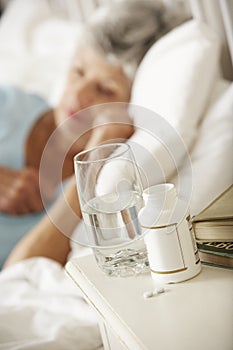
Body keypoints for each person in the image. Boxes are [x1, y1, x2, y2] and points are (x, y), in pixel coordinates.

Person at [0, 0, 188, 269]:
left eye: (105, 90)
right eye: (79, 71)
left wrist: (96, 156)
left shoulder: (104, 192)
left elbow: (17, 274)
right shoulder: (9, 106)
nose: (78, 95)